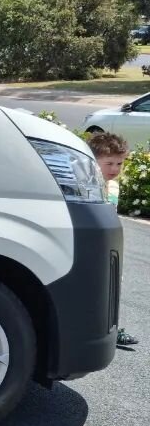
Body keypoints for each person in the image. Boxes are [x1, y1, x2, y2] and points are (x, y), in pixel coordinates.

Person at [86, 131, 136, 348]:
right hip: (90, 243)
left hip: (108, 243)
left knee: (111, 289)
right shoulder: (87, 183)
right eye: (109, 163)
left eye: (119, 163)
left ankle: (112, 329)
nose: (115, 169)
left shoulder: (112, 185)